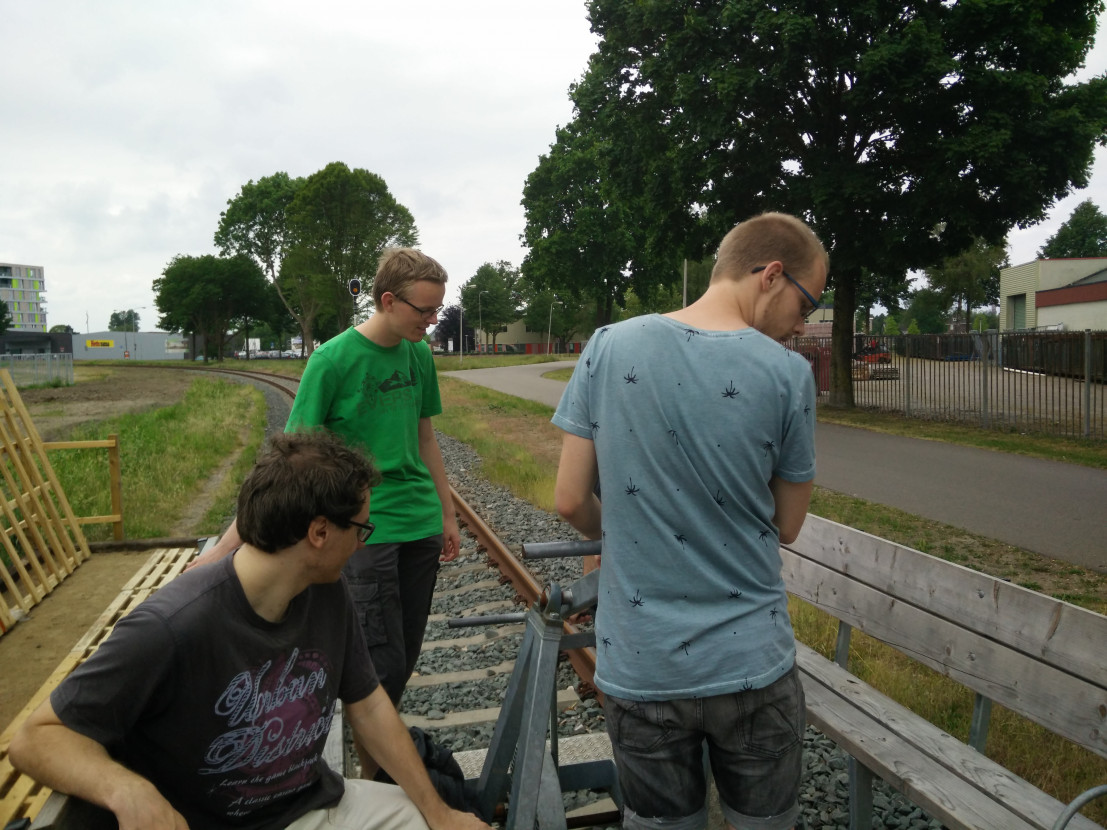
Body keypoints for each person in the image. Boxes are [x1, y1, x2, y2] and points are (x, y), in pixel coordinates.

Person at [9, 430, 489, 830]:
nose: (364, 544)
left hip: (309, 806)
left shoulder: (326, 592)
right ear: (319, 533)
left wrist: (440, 813)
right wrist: (124, 788)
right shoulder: (173, 624)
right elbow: (35, 739)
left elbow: (368, 706)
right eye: (361, 529)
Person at [552, 212, 827, 830]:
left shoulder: (609, 345)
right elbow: (787, 526)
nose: (803, 321)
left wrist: (620, 527)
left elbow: (570, 500)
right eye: (807, 301)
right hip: (752, 667)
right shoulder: (787, 375)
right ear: (771, 275)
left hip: (643, 667)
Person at [192, 248, 460, 775]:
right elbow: (288, 462)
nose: (431, 323)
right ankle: (380, 778)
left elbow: (426, 436)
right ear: (387, 300)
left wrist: (447, 514)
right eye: (423, 312)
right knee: (379, 665)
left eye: (436, 311)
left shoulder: (418, 356)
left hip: (419, 524)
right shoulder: (332, 361)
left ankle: (380, 769)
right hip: (364, 532)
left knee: (402, 658)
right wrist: (226, 548)